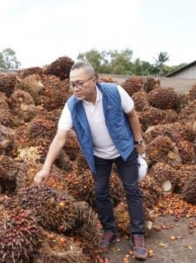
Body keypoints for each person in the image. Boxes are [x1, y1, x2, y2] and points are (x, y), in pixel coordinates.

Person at [33, 61, 148, 260]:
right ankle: (109, 230)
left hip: (124, 149)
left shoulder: (115, 92)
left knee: (132, 190)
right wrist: (45, 168)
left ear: (94, 80)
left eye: (79, 83)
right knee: (100, 192)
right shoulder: (71, 106)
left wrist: (138, 141)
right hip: (98, 155)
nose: (75, 89)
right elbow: (60, 138)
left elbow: (132, 114)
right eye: (71, 84)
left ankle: (137, 234)